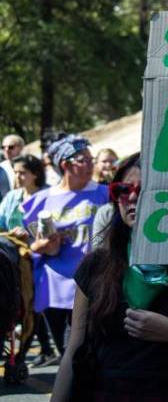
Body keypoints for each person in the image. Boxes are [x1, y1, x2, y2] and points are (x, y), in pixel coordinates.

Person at [51, 153, 168, 401]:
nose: (131, 197)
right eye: (123, 189)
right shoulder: (97, 265)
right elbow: (74, 351)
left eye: (145, 190)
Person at [21, 134, 109, 355]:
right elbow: (31, 244)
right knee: (65, 352)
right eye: (84, 160)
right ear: (65, 164)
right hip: (54, 286)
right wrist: (43, 245)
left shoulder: (104, 194)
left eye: (92, 159)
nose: (90, 165)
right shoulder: (41, 200)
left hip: (93, 282)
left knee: (88, 348)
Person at [0, 154, 58, 366]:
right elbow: (1, 225)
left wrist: (28, 232)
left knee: (33, 306)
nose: (17, 176)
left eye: (22, 172)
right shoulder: (11, 197)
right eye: (15, 172)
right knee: (26, 306)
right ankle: (46, 348)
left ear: (35, 174)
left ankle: (26, 353)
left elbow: (54, 228)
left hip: (41, 259)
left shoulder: (48, 195)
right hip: (12, 259)